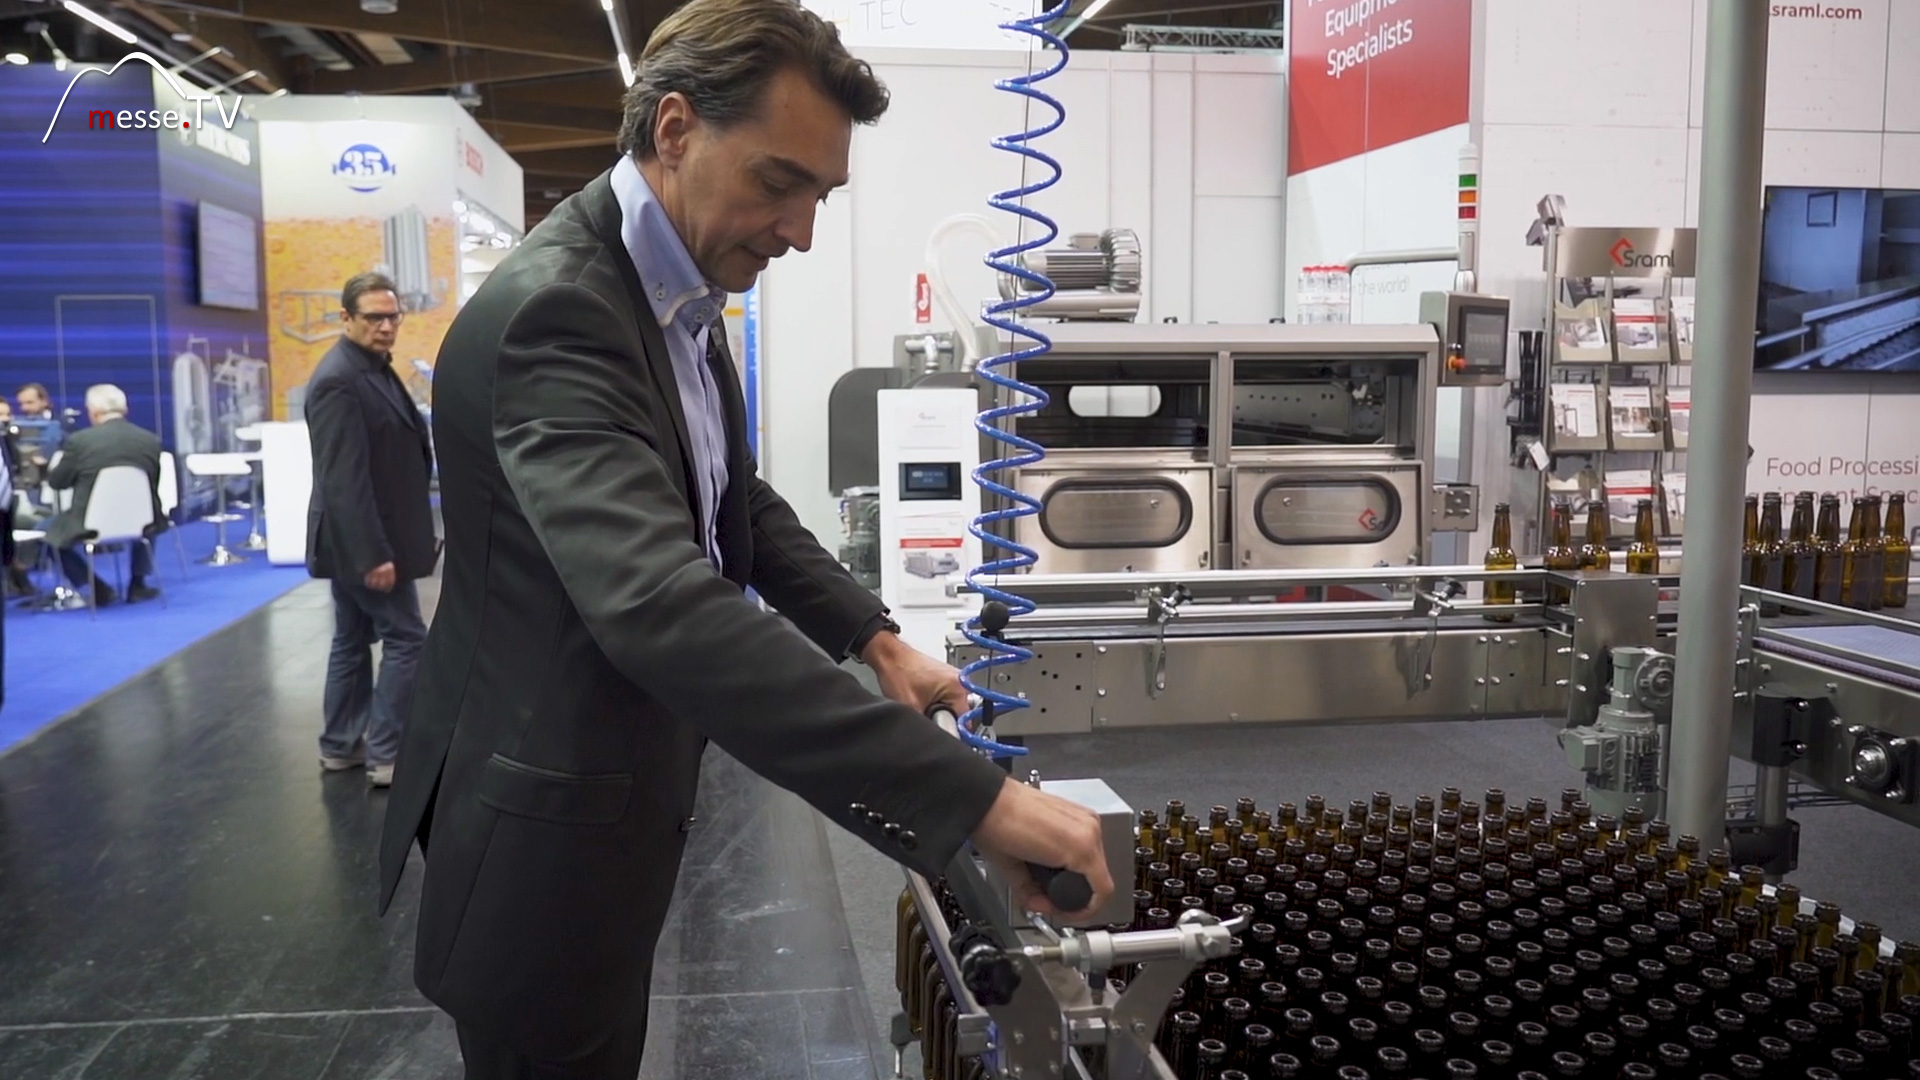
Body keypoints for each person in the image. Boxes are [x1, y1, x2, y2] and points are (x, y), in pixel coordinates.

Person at [376, 3, 1113, 1076]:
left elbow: (732, 502)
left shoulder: (670, 293)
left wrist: (874, 638)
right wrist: (975, 802)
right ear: (675, 130)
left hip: (605, 806)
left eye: (821, 192)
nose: (802, 229)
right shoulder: (562, 312)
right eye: (779, 182)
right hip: (539, 831)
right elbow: (659, 602)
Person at [305, 271, 437, 788]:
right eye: (374, 317)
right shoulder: (340, 378)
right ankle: (386, 753)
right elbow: (343, 479)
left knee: (352, 638)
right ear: (346, 319)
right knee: (407, 639)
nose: (386, 327)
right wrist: (371, 556)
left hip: (368, 537)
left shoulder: (372, 368)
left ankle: (340, 746)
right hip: (365, 542)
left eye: (392, 316)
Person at [43, 385, 166, 605]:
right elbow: (153, 482)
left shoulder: (80, 441)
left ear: (94, 412)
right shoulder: (150, 439)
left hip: (90, 521)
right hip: (143, 520)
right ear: (124, 409)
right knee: (149, 515)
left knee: (44, 531)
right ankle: (138, 584)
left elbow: (58, 482)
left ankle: (96, 587)